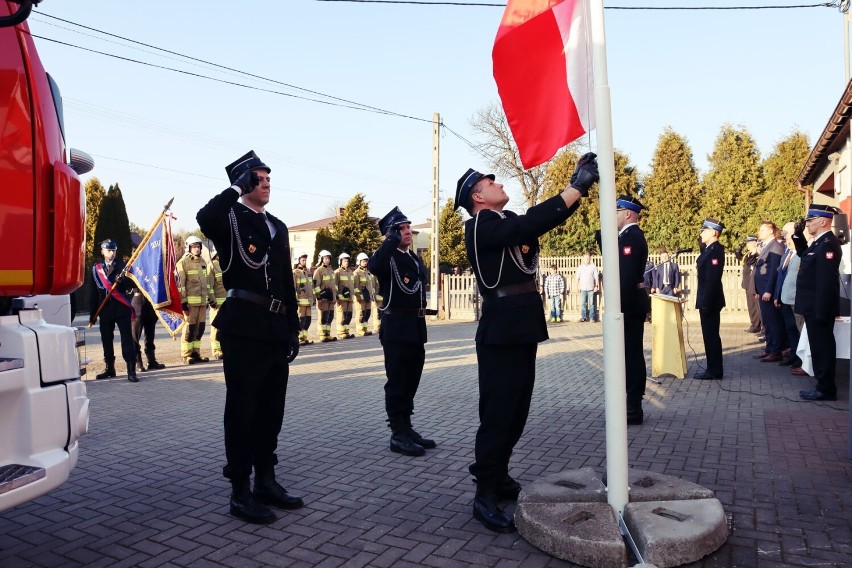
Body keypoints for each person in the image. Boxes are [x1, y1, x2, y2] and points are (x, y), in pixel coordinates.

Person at [456, 153, 598, 533]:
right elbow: (534, 221)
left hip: (520, 326)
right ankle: (484, 492)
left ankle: (499, 473)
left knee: (517, 410)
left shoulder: (505, 220)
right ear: (477, 197)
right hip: (501, 330)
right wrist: (575, 187)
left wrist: (575, 192)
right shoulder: (480, 225)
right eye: (490, 182)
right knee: (499, 413)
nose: (499, 183)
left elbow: (542, 221)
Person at [196, 150, 303, 524]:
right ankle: (240, 491)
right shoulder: (230, 218)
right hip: (243, 325)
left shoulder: (278, 225)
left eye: (269, 176)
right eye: (259, 177)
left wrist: (292, 326)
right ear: (244, 182)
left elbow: (286, 281)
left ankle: (266, 481)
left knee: (272, 410)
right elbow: (204, 218)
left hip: (275, 327)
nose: (267, 181)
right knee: (243, 409)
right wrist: (234, 188)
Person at [368, 207, 434, 458]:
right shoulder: (388, 257)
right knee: (397, 382)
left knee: (412, 380)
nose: (408, 232)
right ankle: (397, 433)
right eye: (401, 229)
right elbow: (374, 266)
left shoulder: (414, 258)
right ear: (391, 234)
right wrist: (390, 241)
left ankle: (407, 427)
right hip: (396, 329)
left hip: (416, 328)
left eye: (408, 228)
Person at [794, 205, 842, 401]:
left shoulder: (828, 243)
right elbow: (804, 256)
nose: (807, 224)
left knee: (822, 347)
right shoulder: (818, 243)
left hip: (819, 307)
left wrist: (822, 310)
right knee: (817, 347)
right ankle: (822, 386)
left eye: (810, 220)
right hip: (812, 306)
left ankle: (826, 388)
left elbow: (825, 281)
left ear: (823, 221)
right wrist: (798, 237)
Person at [613, 195, 650, 425]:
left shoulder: (632, 237)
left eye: (616, 211)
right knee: (628, 354)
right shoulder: (626, 236)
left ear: (627, 214)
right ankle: (629, 403)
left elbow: (625, 278)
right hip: (628, 303)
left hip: (628, 304)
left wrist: (618, 308)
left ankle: (633, 406)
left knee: (632, 355)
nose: (612, 216)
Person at [89, 238, 139, 383]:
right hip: (105, 309)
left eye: (113, 250)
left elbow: (133, 282)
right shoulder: (96, 269)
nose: (111, 253)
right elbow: (93, 294)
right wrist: (92, 315)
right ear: (102, 251)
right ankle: (109, 368)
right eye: (109, 250)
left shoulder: (123, 266)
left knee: (127, 339)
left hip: (121, 308)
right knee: (106, 339)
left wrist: (123, 281)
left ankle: (131, 370)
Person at [694, 218, 726, 380]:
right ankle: (711, 368)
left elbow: (713, 279)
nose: (701, 233)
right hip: (706, 299)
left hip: (710, 301)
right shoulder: (709, 249)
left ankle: (715, 370)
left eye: (704, 231)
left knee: (712, 335)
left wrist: (706, 301)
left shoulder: (716, 250)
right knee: (708, 335)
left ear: (713, 232)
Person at [176, 236, 214, 364]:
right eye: (194, 247)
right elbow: (180, 285)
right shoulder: (183, 263)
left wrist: (208, 299)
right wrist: (183, 302)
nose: (197, 249)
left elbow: (207, 283)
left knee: (200, 329)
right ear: (189, 248)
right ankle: (186, 355)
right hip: (190, 304)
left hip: (202, 303)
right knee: (189, 330)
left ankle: (196, 353)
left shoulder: (203, 262)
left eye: (198, 247)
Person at [753, 221, 786, 363]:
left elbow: (774, 271)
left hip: (768, 291)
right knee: (767, 321)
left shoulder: (776, 247)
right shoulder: (767, 246)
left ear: (771, 231)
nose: (759, 232)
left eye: (762, 230)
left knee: (773, 322)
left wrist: (768, 290)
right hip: (762, 290)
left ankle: (776, 351)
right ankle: (770, 348)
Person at [774, 222, 802, 369]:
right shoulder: (787, 253)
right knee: (790, 330)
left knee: (798, 330)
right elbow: (781, 278)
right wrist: (777, 296)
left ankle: (799, 359)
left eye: (787, 233)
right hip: (785, 298)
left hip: (795, 299)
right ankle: (793, 355)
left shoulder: (801, 252)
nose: (785, 237)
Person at [130, 290, 166, 372]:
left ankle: (151, 361)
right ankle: (138, 362)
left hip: (150, 303)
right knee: (135, 337)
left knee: (150, 335)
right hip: (137, 303)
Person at [208, 248, 228, 359]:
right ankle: (216, 350)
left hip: (228, 302)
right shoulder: (213, 265)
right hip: (217, 304)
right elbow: (209, 286)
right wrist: (212, 300)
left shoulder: (227, 264)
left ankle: (225, 348)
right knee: (216, 327)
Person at [313, 250, 337, 342]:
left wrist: (334, 297)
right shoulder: (318, 271)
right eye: (326, 258)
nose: (327, 260)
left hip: (331, 298)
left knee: (330, 316)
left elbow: (334, 286)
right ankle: (322, 334)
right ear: (321, 259)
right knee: (323, 316)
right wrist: (319, 298)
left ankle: (328, 334)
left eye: (328, 258)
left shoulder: (331, 270)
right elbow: (316, 286)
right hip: (323, 299)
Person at [740, 236, 763, 334]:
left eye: (750, 243)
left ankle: (756, 325)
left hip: (752, 284)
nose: (747, 245)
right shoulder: (749, 254)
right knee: (750, 306)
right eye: (747, 243)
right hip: (747, 283)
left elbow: (751, 263)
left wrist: (755, 252)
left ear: (755, 243)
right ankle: (754, 323)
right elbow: (742, 259)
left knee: (754, 306)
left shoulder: (758, 253)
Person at [292, 251, 314, 345]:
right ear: (298, 261)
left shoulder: (308, 272)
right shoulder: (295, 272)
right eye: (303, 260)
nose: (305, 261)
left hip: (308, 302)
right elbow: (293, 287)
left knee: (307, 320)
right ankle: (299, 338)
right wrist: (295, 298)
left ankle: (304, 338)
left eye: (305, 260)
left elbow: (311, 286)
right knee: (301, 320)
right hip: (300, 302)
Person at [353, 252, 375, 336]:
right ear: (359, 262)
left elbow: (371, 285)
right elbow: (355, 286)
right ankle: (360, 329)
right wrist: (358, 296)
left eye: (366, 261)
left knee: (367, 313)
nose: (365, 263)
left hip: (368, 297)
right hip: (360, 298)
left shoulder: (368, 272)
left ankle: (365, 328)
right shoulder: (356, 273)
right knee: (361, 313)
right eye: (363, 261)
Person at [335, 252, 356, 339]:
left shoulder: (351, 272)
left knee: (349, 315)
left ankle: (346, 331)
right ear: (340, 262)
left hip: (350, 299)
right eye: (344, 261)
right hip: (341, 299)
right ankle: (341, 332)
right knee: (342, 315)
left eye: (347, 261)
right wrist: (337, 297)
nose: (346, 262)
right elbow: (335, 286)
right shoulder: (337, 272)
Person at [576, 252, 599, 322]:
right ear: (583, 258)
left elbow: (596, 278)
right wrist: (577, 286)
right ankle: (583, 317)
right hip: (582, 288)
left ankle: (592, 318)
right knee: (583, 303)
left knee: (591, 304)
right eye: (586, 258)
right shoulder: (580, 267)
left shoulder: (593, 267)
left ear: (590, 258)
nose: (587, 259)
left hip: (591, 288)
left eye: (588, 258)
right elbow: (577, 278)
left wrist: (596, 286)